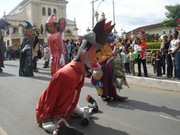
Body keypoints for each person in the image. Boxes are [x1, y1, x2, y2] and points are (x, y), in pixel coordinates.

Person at [35, 19, 115, 134]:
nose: (97, 58)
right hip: (54, 112)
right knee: (60, 126)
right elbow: (51, 96)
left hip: (67, 109)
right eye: (96, 53)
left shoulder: (80, 72)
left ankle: (80, 112)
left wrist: (74, 109)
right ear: (84, 54)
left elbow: (73, 95)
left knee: (80, 113)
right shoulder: (67, 74)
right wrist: (46, 118)